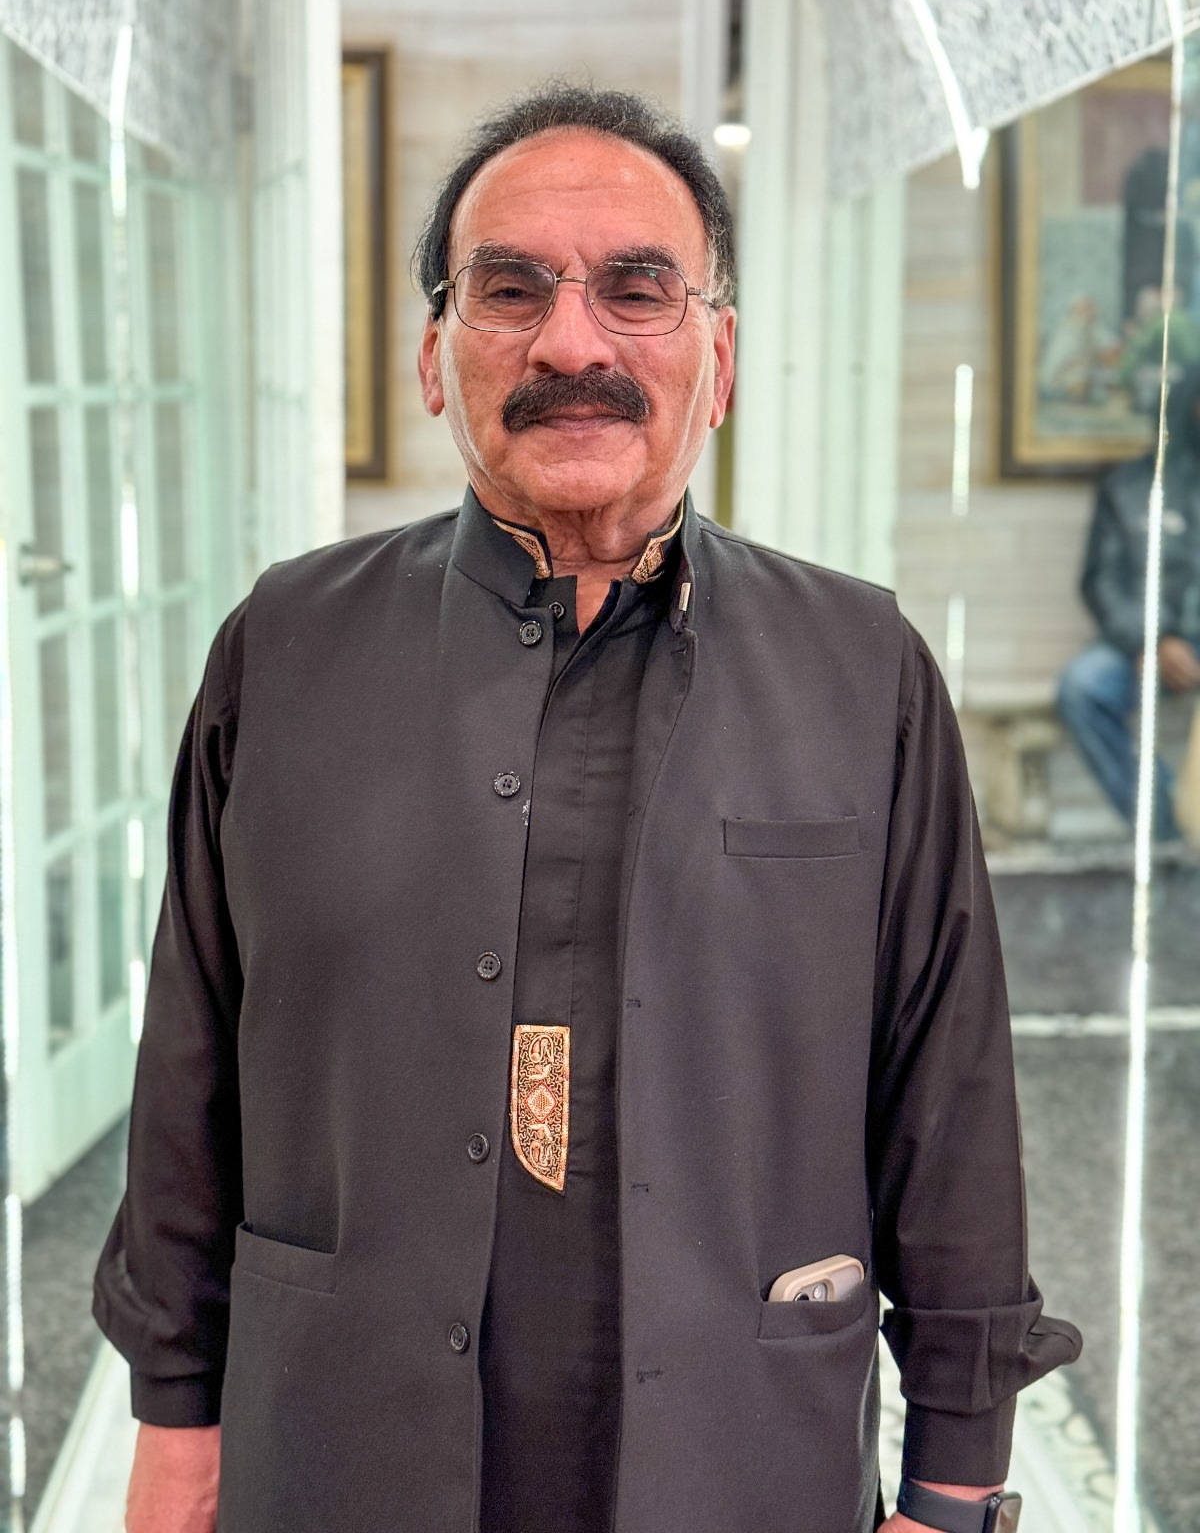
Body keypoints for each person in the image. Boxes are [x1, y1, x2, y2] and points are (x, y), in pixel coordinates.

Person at [94, 86, 1080, 1533]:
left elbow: (950, 1092)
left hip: (740, 1455)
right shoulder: (286, 649)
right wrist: (177, 1416)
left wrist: (955, 1478)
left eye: (637, 289)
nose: (572, 345)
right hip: (346, 1444)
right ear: (436, 357)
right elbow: (193, 1059)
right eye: (510, 291)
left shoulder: (861, 669)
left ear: (718, 359)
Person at [1058, 363, 1200, 840]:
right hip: (1145, 642)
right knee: (1083, 686)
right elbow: (1100, 581)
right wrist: (1153, 638)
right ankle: (1167, 828)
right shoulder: (1128, 487)